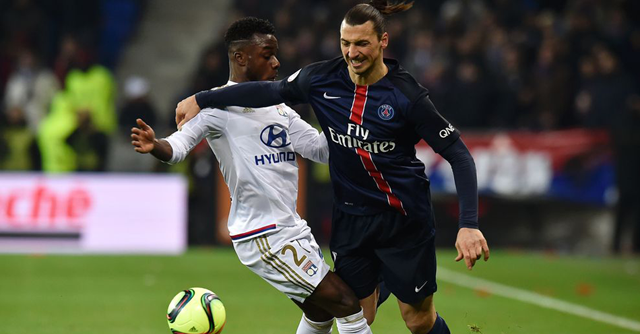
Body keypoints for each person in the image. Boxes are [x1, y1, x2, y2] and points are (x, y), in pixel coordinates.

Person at [175, 2, 491, 334]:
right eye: (346, 44)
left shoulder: (406, 96)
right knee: (352, 312)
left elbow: (459, 155)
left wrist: (468, 224)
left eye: (362, 44)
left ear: (383, 41)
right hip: (352, 221)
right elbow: (269, 91)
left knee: (417, 320)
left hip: (403, 218)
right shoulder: (320, 79)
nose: (352, 53)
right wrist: (203, 98)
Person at [132, 17, 374, 334]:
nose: (276, 62)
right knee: (346, 303)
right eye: (267, 54)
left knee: (321, 313)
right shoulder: (215, 107)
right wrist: (155, 145)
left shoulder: (279, 107)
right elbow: (177, 147)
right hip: (263, 233)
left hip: (292, 227)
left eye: (275, 54)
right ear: (241, 57)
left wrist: (345, 124)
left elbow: (319, 149)